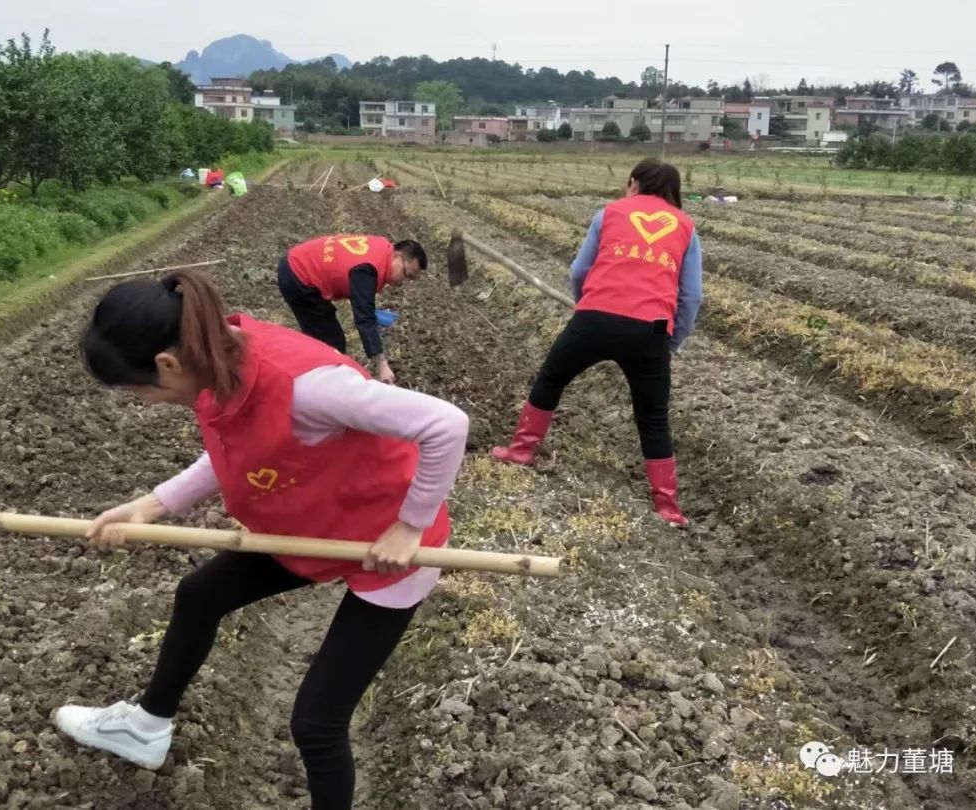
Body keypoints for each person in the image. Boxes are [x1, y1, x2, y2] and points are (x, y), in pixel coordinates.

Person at [56, 270, 468, 810]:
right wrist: (152, 505)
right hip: (309, 522)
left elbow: (446, 424)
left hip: (389, 549)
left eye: (137, 391)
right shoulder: (215, 363)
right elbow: (237, 452)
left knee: (316, 721)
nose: (142, 402)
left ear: (166, 364)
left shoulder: (305, 385)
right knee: (199, 596)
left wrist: (411, 524)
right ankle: (145, 727)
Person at [490, 158, 703, 528]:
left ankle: (521, 451)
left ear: (634, 183)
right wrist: (672, 340)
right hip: (651, 329)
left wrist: (585, 304)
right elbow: (691, 297)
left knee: (552, 379)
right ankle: (667, 506)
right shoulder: (686, 227)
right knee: (653, 416)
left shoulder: (610, 213)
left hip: (595, 316)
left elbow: (578, 271)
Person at [277, 235, 427, 385]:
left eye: (410, 279)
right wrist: (382, 364)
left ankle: (311, 378)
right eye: (407, 274)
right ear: (397, 256)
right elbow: (364, 318)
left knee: (327, 342)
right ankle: (310, 384)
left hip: (299, 261)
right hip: (298, 275)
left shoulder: (382, 247)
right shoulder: (367, 269)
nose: (404, 281)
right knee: (331, 346)